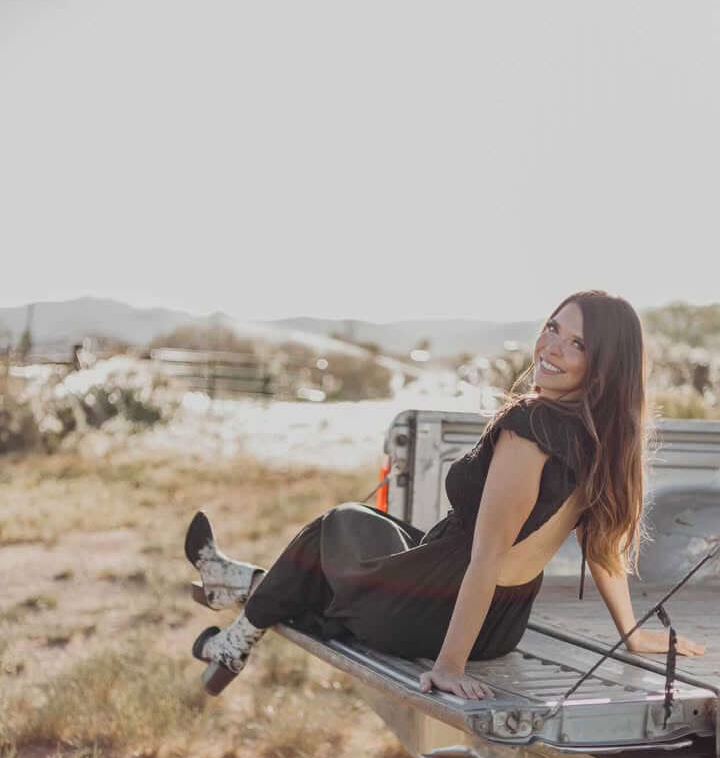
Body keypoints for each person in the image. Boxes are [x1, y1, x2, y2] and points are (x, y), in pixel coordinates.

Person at [185, 290, 705, 698]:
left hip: (431, 614)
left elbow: (487, 553)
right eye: (553, 328)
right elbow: (602, 548)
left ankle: (234, 641)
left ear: (605, 363)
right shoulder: (605, 437)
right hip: (499, 627)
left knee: (338, 524)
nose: (551, 348)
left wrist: (449, 667)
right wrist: (632, 634)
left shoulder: (533, 425)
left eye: (578, 344)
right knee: (376, 530)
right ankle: (234, 586)